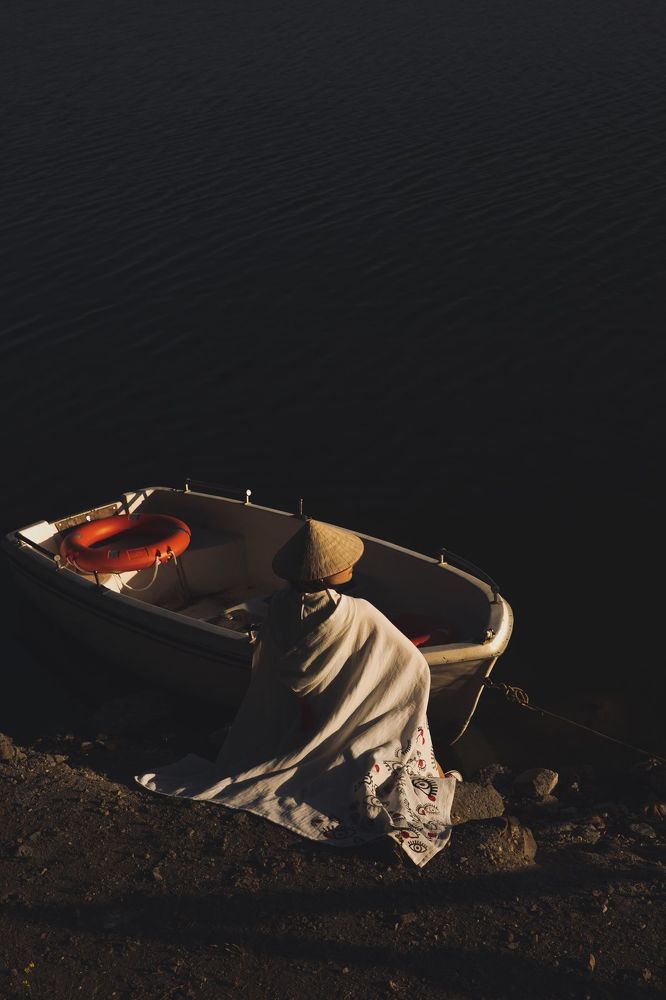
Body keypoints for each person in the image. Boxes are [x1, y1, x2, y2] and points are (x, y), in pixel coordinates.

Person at [137, 518, 459, 866]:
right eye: (343, 563)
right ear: (325, 574)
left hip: (301, 710)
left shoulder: (280, 606)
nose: (351, 564)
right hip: (332, 709)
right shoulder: (357, 613)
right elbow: (409, 665)